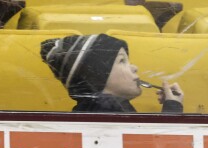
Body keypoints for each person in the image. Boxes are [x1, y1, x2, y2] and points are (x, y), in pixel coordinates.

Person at [40, 34, 183, 113]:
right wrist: (173, 109)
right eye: (122, 61)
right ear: (97, 77)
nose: (134, 68)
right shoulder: (105, 114)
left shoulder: (105, 107)